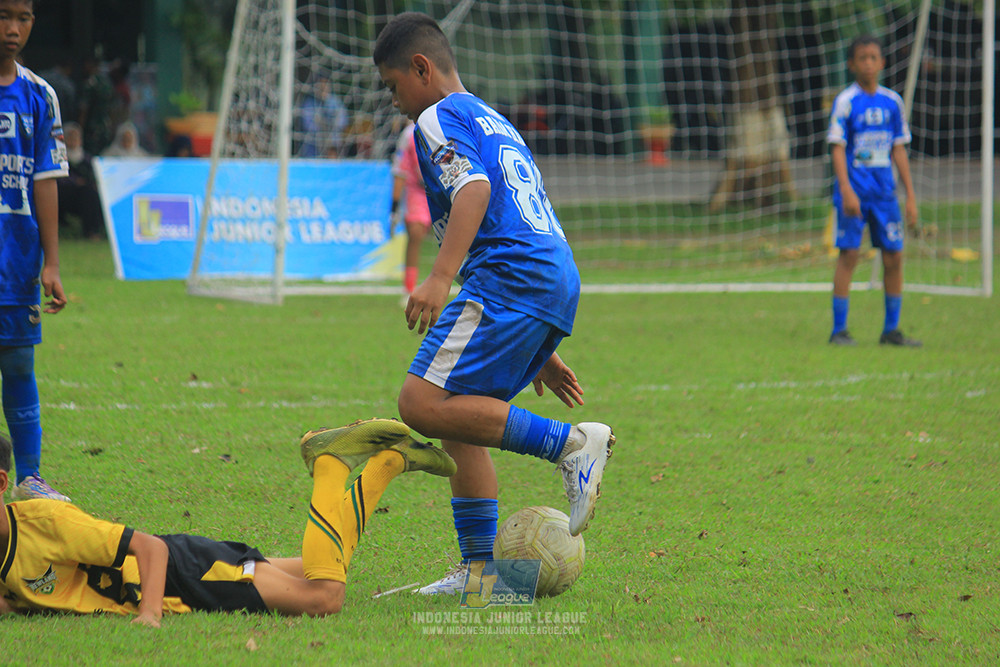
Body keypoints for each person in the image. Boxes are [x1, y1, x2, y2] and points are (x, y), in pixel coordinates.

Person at [373, 12, 615, 595]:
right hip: (549, 274)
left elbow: (475, 190)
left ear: (421, 69)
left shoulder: (435, 119)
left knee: (420, 400)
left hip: (511, 278)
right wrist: (537, 349)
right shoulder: (491, 116)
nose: (395, 102)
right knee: (462, 414)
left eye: (393, 85)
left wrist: (438, 277)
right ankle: (481, 574)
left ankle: (571, 445)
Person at [0, 419, 457, 625]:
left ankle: (330, 464)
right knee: (321, 564)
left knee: (325, 598)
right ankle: (390, 463)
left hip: (186, 574)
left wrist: (150, 613)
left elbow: (151, 549)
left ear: (3, 482)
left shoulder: (44, 521)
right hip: (192, 570)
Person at [0, 0, 71, 502]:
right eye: (4, 15)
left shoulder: (40, 95)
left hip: (16, 262)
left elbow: (45, 180)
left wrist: (52, 261)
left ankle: (28, 478)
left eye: (23, 17)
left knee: (19, 365)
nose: (13, 29)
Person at [827, 35, 920, 347]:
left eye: (873, 57)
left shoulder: (892, 102)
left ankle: (891, 330)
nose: (868, 63)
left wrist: (910, 195)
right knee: (849, 255)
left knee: (894, 256)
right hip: (854, 193)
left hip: (884, 195)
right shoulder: (846, 101)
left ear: (882, 63)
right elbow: (837, 148)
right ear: (852, 64)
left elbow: (899, 150)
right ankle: (839, 330)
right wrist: (846, 189)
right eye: (862, 58)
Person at [391, 120, 432, 300]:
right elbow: (401, 169)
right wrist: (394, 207)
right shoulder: (409, 135)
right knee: (415, 233)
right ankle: (409, 289)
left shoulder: (442, 126)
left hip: (441, 188)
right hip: (417, 190)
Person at [56, 122, 104, 239]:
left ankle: (93, 231)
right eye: (70, 137)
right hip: (64, 193)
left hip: (84, 194)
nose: (73, 140)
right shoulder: (58, 156)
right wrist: (75, 181)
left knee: (92, 194)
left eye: (75, 137)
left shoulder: (88, 159)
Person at [297, 76, 348, 158]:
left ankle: (333, 162)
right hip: (314, 143)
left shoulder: (335, 102)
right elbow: (307, 125)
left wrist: (327, 126)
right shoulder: (309, 103)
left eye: (325, 86)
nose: (323, 88)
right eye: (320, 86)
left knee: (334, 140)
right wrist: (321, 129)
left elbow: (342, 121)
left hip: (331, 141)